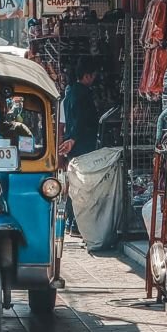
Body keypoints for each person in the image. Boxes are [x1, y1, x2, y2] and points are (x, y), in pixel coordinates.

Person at [59, 58, 99, 235]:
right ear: (87, 76)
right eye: (93, 75)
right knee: (82, 185)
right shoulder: (82, 93)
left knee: (73, 183)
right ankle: (76, 223)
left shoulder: (70, 94)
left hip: (73, 145)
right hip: (81, 145)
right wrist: (74, 139)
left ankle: (71, 222)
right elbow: (80, 120)